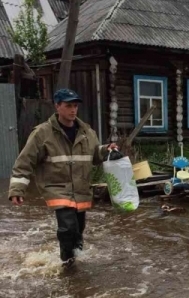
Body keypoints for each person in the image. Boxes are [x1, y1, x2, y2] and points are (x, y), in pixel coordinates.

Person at [8, 88, 117, 269]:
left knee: (78, 230)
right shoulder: (42, 133)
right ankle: (67, 265)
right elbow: (25, 161)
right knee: (68, 228)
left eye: (75, 106)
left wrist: (107, 149)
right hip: (56, 188)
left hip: (81, 189)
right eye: (68, 106)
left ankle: (76, 260)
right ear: (57, 106)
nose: (73, 110)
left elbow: (95, 156)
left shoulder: (87, 132)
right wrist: (17, 189)